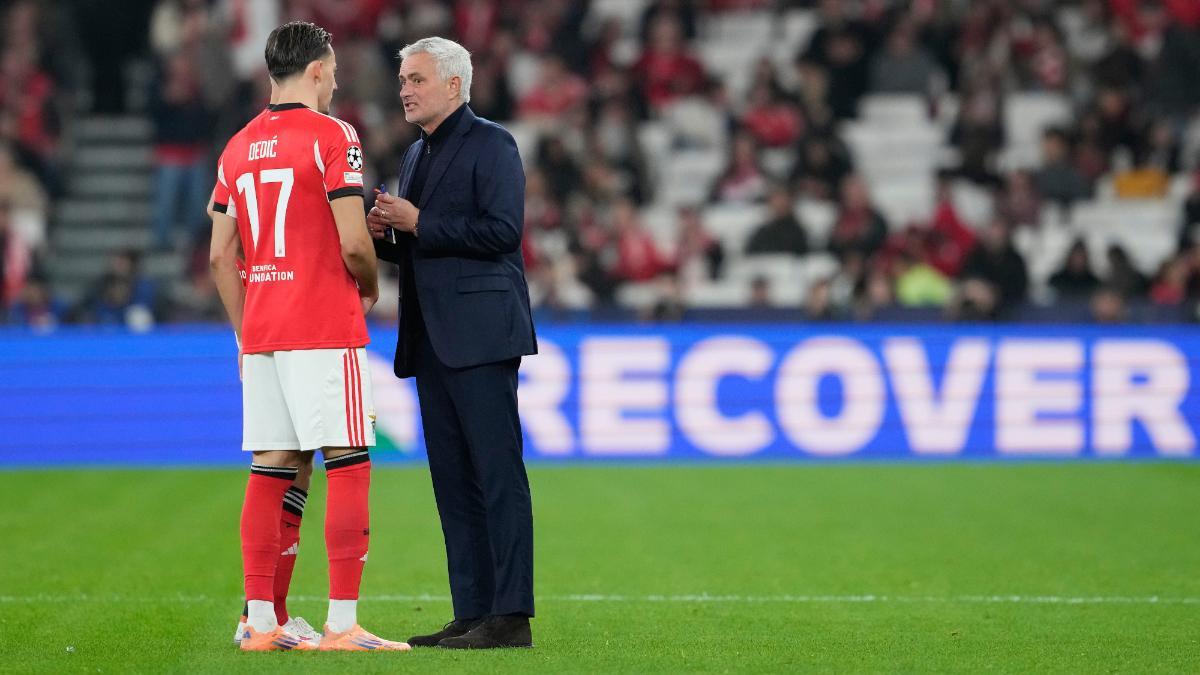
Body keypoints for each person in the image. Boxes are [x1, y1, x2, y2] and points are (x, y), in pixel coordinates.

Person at [209, 20, 407, 653]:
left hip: (263, 330)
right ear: (319, 70)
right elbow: (353, 239)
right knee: (348, 462)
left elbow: (220, 256)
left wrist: (247, 334)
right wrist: (371, 284)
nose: (335, 83)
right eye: (334, 73)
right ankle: (343, 624)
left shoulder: (236, 148)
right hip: (322, 323)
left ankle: (262, 624)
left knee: (273, 468)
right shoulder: (333, 135)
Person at [367, 36, 538, 650]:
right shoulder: (418, 154)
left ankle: (511, 616)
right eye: (403, 80)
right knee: (451, 480)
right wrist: (382, 236)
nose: (405, 89)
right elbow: (420, 245)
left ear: (454, 85)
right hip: (434, 338)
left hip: (482, 336)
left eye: (416, 79)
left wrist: (418, 223)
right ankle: (471, 611)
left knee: (497, 475)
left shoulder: (493, 143)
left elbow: (502, 231)